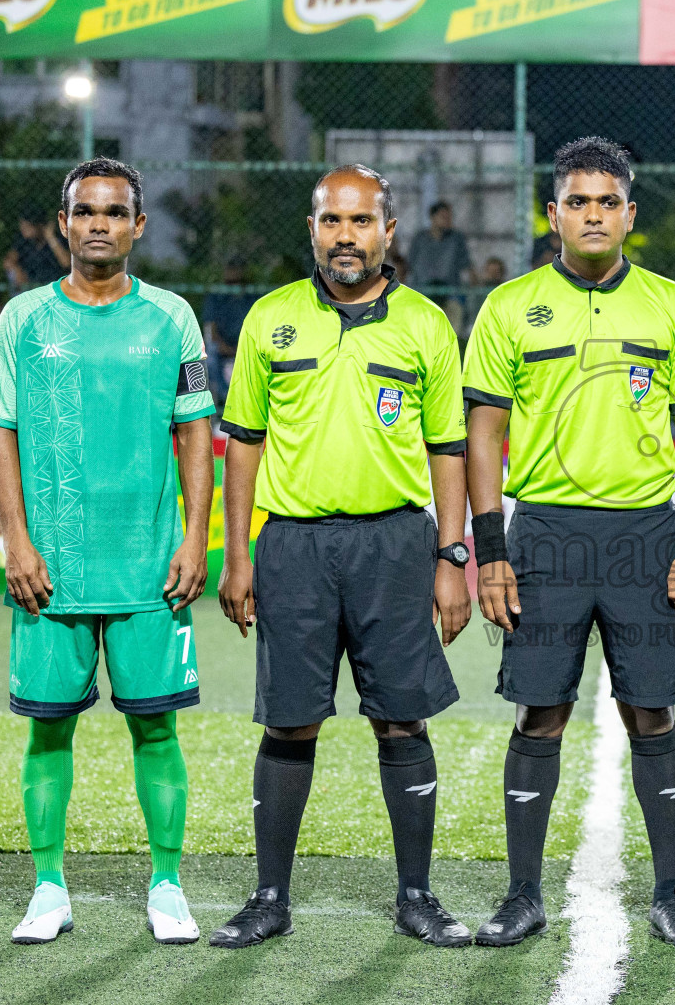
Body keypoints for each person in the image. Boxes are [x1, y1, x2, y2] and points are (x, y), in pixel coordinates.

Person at [462, 137, 675, 949]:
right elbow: (484, 432)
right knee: (541, 712)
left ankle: (672, 895)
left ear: (629, 214)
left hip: (645, 534)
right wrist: (491, 548)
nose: (594, 214)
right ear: (554, 215)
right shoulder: (510, 307)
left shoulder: (672, 305)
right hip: (544, 533)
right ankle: (522, 894)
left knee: (652, 711)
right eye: (579, 201)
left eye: (609, 201)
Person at [210, 164, 474, 951]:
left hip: (395, 542)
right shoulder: (270, 319)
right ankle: (269, 898)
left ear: (389, 230)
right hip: (292, 544)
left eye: (362, 222)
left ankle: (417, 896)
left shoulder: (426, 324)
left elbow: (448, 448)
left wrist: (451, 555)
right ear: (313, 228)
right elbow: (244, 446)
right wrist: (237, 556)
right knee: (289, 723)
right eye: (332, 222)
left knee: (402, 720)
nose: (346, 237)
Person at [0, 158, 216, 946]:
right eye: (86, 212)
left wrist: (194, 539)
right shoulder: (22, 320)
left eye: (115, 212)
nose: (100, 224)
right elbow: (1, 437)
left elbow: (194, 436)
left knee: (157, 730)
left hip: (150, 570)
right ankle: (48, 888)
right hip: (51, 571)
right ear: (63, 223)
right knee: (49, 731)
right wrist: (16, 540)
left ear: (138, 227)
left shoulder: (173, 319)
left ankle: (168, 886)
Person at [409, 201, 475, 342]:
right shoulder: (420, 239)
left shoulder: (456, 239)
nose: (448, 220)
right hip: (423, 291)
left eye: (449, 217)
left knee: (455, 314)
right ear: (433, 217)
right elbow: (410, 264)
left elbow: (467, 265)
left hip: (450, 292)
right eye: (443, 217)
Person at [201, 258, 259, 402]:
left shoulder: (252, 297)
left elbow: (259, 328)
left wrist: (242, 348)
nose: (233, 272)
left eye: (237, 269)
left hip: (246, 346)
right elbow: (210, 330)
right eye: (230, 269)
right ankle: (226, 398)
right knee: (210, 355)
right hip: (222, 347)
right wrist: (225, 347)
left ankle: (251, 400)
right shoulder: (216, 297)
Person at [4, 210, 69, 290]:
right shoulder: (24, 241)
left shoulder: (55, 238)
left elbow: (66, 263)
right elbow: (8, 261)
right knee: (12, 274)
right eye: (22, 225)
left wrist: (50, 237)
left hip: (54, 285)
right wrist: (17, 270)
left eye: (27, 226)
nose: (23, 229)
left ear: (39, 225)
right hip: (29, 285)